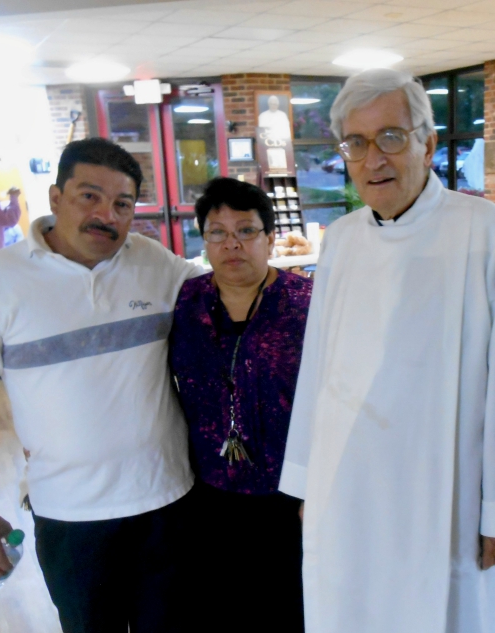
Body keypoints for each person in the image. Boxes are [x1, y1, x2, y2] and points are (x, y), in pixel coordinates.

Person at [278, 68, 495, 633]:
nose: (374, 159)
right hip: (347, 484)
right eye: (357, 143)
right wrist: (306, 480)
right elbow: (316, 364)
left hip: (443, 490)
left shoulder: (482, 229)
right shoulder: (343, 239)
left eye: (392, 137)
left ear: (426, 143)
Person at [0, 138, 203, 633]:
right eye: (89, 196)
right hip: (69, 516)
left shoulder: (153, 262)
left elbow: (226, 294)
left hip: (167, 503)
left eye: (122, 203)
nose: (107, 214)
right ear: (55, 198)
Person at [169, 177, 311, 632]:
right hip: (208, 491)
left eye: (246, 230)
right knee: (222, 608)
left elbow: (337, 396)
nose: (232, 244)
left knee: (292, 608)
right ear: (204, 241)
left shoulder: (308, 304)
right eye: (217, 232)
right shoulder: (185, 303)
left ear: (271, 238)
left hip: (291, 492)